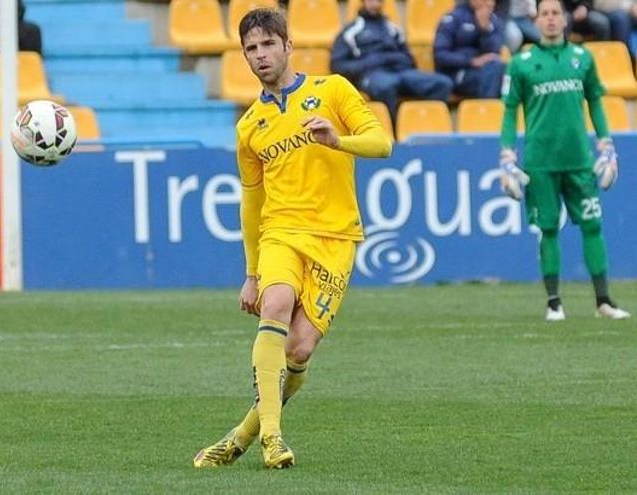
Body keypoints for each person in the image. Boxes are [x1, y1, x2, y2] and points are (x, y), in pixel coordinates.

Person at [192, 8, 392, 469]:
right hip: (281, 233)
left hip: (336, 238)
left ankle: (240, 436)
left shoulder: (333, 90)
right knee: (276, 303)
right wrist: (250, 274)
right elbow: (251, 203)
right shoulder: (249, 129)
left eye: (267, 45)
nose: (260, 56)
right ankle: (273, 439)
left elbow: (382, 144)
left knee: (299, 349)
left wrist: (337, 140)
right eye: (250, 49)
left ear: (287, 45)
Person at [499, 0, 631, 321]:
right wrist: (506, 154)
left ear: (565, 18)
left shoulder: (582, 58)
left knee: (593, 226)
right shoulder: (521, 63)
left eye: (556, 13)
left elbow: (596, 103)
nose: (550, 19)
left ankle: (604, 301)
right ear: (536, 19)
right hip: (540, 163)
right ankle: (554, 303)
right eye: (544, 14)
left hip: (579, 161)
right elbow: (509, 110)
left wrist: (606, 143)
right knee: (547, 230)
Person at [330, 0, 453, 120]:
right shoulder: (350, 32)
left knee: (442, 83)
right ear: (363, 2)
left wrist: (394, 59)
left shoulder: (394, 29)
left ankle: (422, 122)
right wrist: (371, 62)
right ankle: (395, 129)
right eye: (371, 1)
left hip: (401, 72)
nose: (375, 4)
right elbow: (338, 65)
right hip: (372, 74)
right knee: (385, 86)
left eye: (379, 1)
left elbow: (410, 60)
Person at [434, 0, 506, 98]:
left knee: (506, 72)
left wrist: (484, 30)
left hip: (487, 71)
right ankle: (489, 110)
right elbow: (440, 54)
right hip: (458, 72)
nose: (488, 3)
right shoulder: (453, 18)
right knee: (493, 76)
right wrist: (470, 61)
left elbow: (494, 50)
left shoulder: (494, 22)